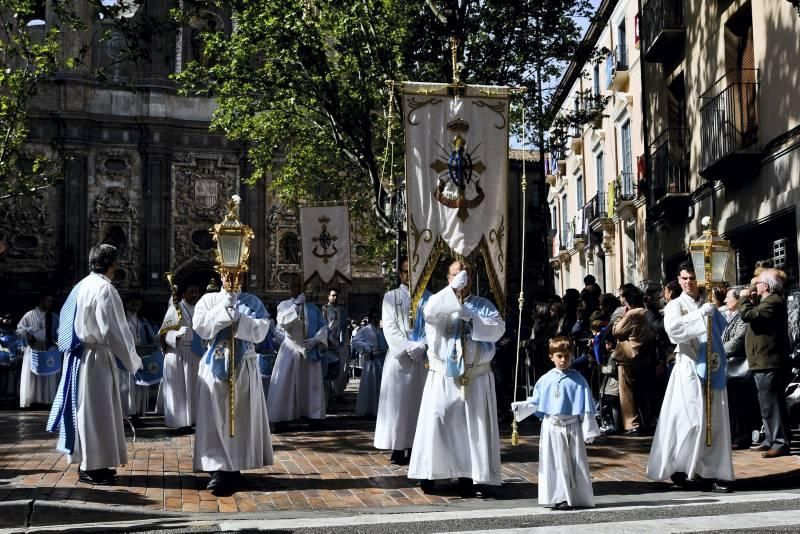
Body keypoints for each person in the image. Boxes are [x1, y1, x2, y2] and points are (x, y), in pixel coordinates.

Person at [407, 260, 505, 497]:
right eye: (456, 274)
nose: (462, 278)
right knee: (439, 421)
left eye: (467, 274)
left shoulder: (482, 305)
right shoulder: (437, 301)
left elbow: (498, 329)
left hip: (474, 376)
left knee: (472, 428)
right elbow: (430, 314)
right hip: (443, 374)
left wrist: (471, 317)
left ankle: (469, 476)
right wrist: (451, 294)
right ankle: (431, 473)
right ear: (448, 277)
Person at [47, 244, 142, 485]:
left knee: (86, 411)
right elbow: (114, 330)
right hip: (97, 358)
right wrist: (132, 360)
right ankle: (92, 466)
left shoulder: (80, 286)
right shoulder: (104, 289)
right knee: (97, 413)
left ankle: (94, 462)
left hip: (79, 358)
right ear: (112, 264)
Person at [645, 260, 734, 493]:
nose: (688, 283)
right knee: (688, 420)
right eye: (684, 278)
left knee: (714, 420)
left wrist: (717, 311)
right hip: (688, 366)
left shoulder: (708, 303)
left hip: (711, 365)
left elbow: (724, 330)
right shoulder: (675, 305)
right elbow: (673, 331)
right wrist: (698, 318)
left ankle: (712, 472)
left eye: (692, 278)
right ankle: (681, 467)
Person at [192, 271, 272, 496]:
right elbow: (202, 327)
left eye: (237, 276)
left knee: (241, 417)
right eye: (228, 276)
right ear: (221, 276)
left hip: (244, 366)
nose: (232, 280)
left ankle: (234, 465)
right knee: (214, 416)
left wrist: (240, 319)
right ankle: (217, 467)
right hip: (214, 366)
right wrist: (224, 307)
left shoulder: (252, 301)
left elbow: (261, 331)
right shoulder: (208, 300)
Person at [512, 336, 599, 510]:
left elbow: (586, 406)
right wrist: (520, 407)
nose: (563, 360)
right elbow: (536, 402)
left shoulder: (578, 380)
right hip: (551, 427)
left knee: (573, 463)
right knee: (553, 462)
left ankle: (572, 497)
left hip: (572, 427)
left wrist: (588, 429)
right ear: (551, 356)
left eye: (567, 356)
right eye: (559, 356)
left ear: (572, 356)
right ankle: (557, 496)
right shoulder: (545, 379)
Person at [374, 257, 430, 465]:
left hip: (422, 360)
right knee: (398, 404)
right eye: (405, 271)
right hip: (399, 360)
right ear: (400, 274)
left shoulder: (429, 298)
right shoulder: (391, 297)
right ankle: (398, 446)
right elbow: (389, 327)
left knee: (419, 403)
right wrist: (407, 347)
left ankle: (416, 444)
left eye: (413, 272)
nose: (409, 276)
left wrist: (423, 344)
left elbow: (433, 327)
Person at [739, 269, 792, 458]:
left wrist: (744, 299)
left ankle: (779, 442)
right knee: (766, 404)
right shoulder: (767, 301)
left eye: (759, 282)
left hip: (768, 361)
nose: (756, 285)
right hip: (762, 361)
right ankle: (771, 439)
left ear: (766, 286)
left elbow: (749, 315)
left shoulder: (773, 302)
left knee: (772, 404)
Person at [267, 275, 328, 426]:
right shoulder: (284, 305)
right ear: (290, 288)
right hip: (290, 349)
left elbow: (324, 327)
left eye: (299, 285)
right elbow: (282, 322)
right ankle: (283, 416)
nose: (296, 288)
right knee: (286, 383)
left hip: (309, 350)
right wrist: (296, 306)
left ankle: (312, 415)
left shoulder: (314, 308)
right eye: (293, 285)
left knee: (311, 384)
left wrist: (316, 340)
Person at [612, 284, 657, 435]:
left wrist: (620, 317)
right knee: (645, 391)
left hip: (628, 357)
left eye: (621, 295)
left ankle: (632, 424)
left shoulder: (631, 314)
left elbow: (617, 331)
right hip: (646, 356)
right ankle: (648, 421)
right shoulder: (647, 312)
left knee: (627, 393)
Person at [160, 283, 203, 429]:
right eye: (191, 292)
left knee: (193, 388)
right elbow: (164, 333)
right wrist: (176, 335)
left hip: (194, 352)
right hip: (178, 352)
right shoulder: (175, 309)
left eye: (197, 292)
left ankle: (193, 419)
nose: (195, 295)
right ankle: (178, 422)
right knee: (179, 388)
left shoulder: (199, 309)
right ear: (183, 294)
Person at [722, 286, 760, 450]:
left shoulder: (742, 317)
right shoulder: (731, 316)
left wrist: (718, 350)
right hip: (729, 366)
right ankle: (735, 435)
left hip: (738, 365)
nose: (724, 300)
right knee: (733, 403)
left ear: (737, 299)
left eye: (728, 297)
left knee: (740, 403)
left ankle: (742, 436)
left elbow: (738, 340)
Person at [17, 292, 60, 408]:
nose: (50, 303)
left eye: (51, 301)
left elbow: (59, 332)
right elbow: (19, 330)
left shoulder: (54, 317)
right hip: (33, 348)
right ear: (41, 301)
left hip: (48, 349)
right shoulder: (29, 315)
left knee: (48, 376)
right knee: (32, 376)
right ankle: (32, 400)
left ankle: (47, 400)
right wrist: (28, 332)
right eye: (48, 300)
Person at [120, 294, 157, 420]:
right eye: (133, 303)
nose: (135, 306)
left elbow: (152, 337)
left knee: (141, 386)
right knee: (128, 386)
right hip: (126, 357)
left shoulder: (143, 321)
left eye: (138, 304)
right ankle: (127, 413)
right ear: (126, 304)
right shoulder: (121, 319)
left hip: (141, 355)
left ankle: (138, 415)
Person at [351, 309, 388, 417]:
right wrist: (367, 349)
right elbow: (355, 341)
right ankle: (368, 409)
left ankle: (377, 409)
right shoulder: (365, 330)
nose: (376, 319)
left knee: (379, 386)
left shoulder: (379, 330)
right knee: (369, 386)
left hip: (380, 361)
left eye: (378, 317)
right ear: (370, 318)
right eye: (374, 317)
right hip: (370, 361)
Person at [322, 288, 349, 401]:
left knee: (342, 369)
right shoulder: (325, 309)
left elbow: (344, 327)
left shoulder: (341, 310)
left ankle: (338, 393)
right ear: (328, 296)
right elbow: (323, 326)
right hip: (328, 342)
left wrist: (345, 342)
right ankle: (327, 395)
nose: (335, 297)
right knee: (328, 369)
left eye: (336, 295)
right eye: (333, 295)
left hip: (339, 342)